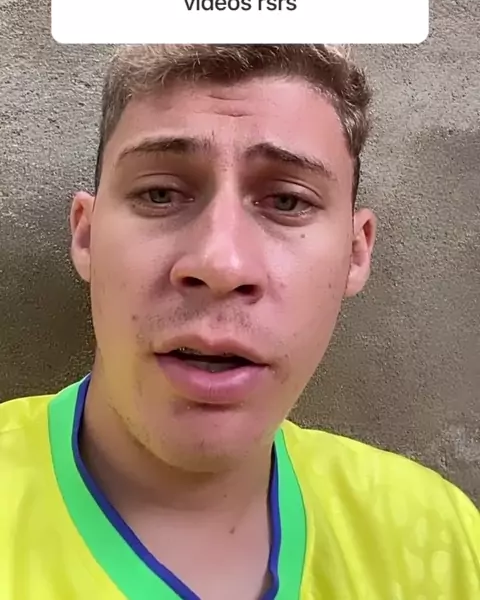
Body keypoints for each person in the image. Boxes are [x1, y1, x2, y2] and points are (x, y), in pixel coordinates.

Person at [0, 44, 478, 600]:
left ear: (355, 253)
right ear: (86, 236)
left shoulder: (440, 539)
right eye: (160, 193)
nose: (221, 265)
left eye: (287, 201)